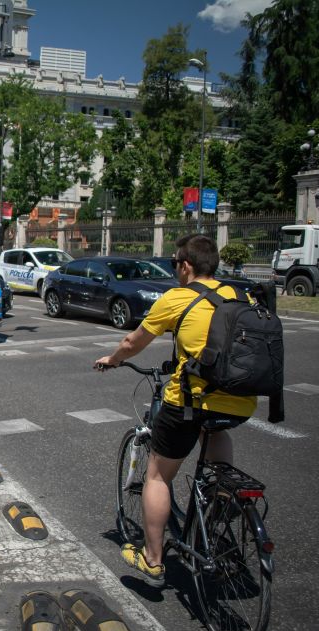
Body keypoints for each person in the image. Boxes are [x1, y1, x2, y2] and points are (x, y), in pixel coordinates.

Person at [94, 234, 257, 588]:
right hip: (241, 399)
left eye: (174, 264)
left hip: (189, 401)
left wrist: (113, 359)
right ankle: (223, 489)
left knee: (156, 476)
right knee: (213, 428)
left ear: (185, 266)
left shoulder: (178, 298)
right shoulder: (238, 295)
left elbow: (132, 342)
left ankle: (153, 560)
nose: (174, 271)